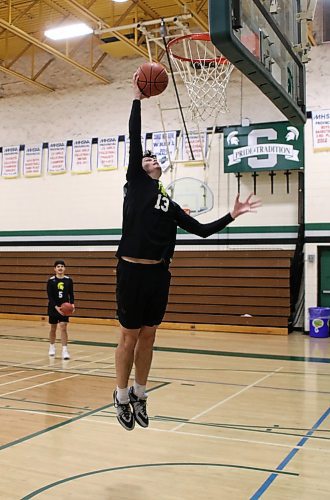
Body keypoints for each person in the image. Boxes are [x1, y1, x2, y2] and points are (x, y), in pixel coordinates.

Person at [113, 72, 261, 431]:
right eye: (147, 158)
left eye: (154, 158)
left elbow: (203, 232)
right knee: (129, 336)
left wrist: (232, 214)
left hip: (158, 274)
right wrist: (136, 98)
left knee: (149, 335)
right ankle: (120, 396)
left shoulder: (171, 203)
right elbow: (135, 139)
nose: (152, 159)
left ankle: (141, 395)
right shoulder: (135, 183)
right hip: (131, 269)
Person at [47, 260, 75, 360]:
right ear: (55, 268)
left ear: (64, 268)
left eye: (62, 266)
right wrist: (56, 307)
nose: (60, 268)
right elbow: (50, 297)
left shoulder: (68, 280)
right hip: (54, 307)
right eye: (58, 266)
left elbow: (71, 294)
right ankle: (52, 346)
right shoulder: (51, 281)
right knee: (53, 328)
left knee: (63, 327)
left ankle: (64, 350)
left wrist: (72, 304)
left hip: (64, 308)